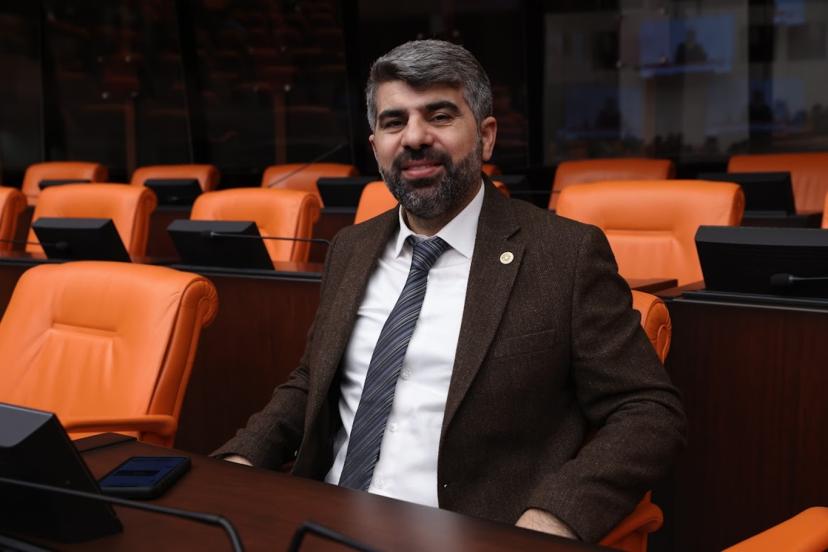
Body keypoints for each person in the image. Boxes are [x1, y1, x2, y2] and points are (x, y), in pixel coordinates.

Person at [214, 39, 686, 543]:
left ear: (485, 137)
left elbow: (648, 411)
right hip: (322, 521)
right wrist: (240, 461)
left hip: (468, 535)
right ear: (376, 148)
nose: (415, 138)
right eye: (394, 122)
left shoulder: (564, 255)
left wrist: (553, 519)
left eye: (439, 116)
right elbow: (314, 381)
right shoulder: (350, 247)